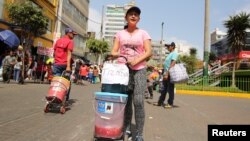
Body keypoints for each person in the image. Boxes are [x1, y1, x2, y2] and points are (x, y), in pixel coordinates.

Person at [111, 6, 152, 141]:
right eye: (131, 14)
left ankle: (139, 133)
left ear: (139, 19)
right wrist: (124, 56)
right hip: (123, 70)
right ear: (126, 17)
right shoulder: (119, 34)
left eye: (136, 15)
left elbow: (148, 52)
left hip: (139, 69)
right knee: (126, 101)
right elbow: (113, 52)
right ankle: (127, 128)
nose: (133, 16)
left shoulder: (143, 34)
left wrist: (136, 60)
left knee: (138, 101)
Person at [53, 27, 77, 101]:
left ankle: (55, 96)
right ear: (69, 33)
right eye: (73, 34)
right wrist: (68, 66)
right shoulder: (70, 42)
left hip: (56, 64)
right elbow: (69, 54)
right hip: (65, 65)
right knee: (66, 82)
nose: (74, 36)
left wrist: (56, 61)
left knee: (56, 82)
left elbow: (54, 53)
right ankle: (65, 98)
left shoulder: (58, 41)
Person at [155, 42, 178, 108]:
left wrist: (167, 73)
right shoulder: (170, 54)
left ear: (173, 46)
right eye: (167, 47)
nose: (167, 48)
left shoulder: (174, 53)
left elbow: (173, 63)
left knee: (170, 89)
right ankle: (160, 102)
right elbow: (166, 65)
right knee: (164, 89)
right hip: (166, 73)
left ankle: (170, 103)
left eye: (169, 46)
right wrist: (160, 69)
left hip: (170, 74)